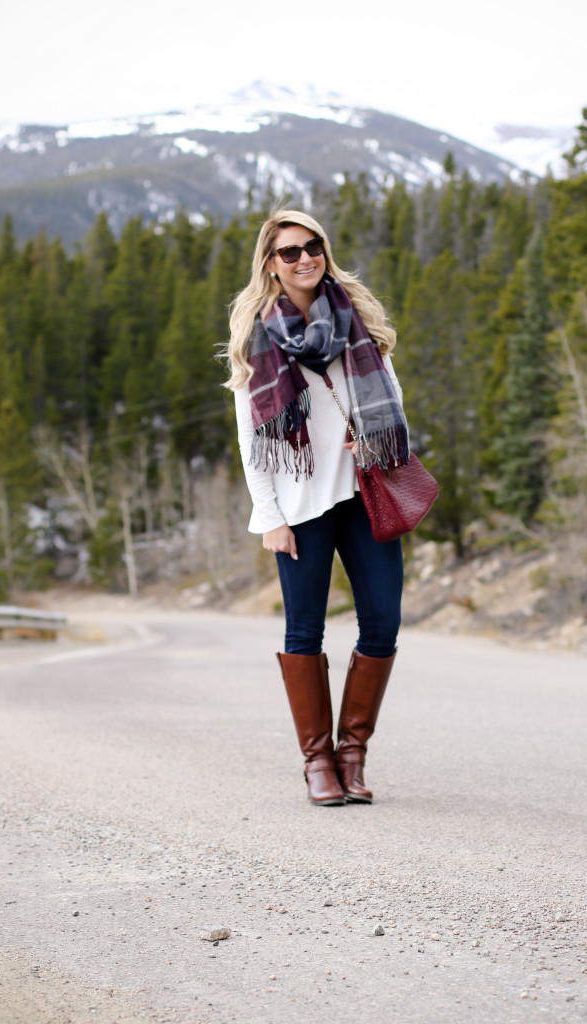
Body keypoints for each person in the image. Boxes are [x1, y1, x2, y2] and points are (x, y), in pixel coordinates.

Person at [226, 209, 409, 807]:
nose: (305, 258)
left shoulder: (355, 320)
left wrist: (373, 435)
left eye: (313, 247)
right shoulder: (259, 339)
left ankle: (352, 753)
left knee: (381, 621)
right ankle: (317, 763)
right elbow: (253, 442)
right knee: (304, 628)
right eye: (289, 252)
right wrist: (269, 518)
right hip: (301, 503)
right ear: (270, 265)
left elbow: (393, 394)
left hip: (363, 491)